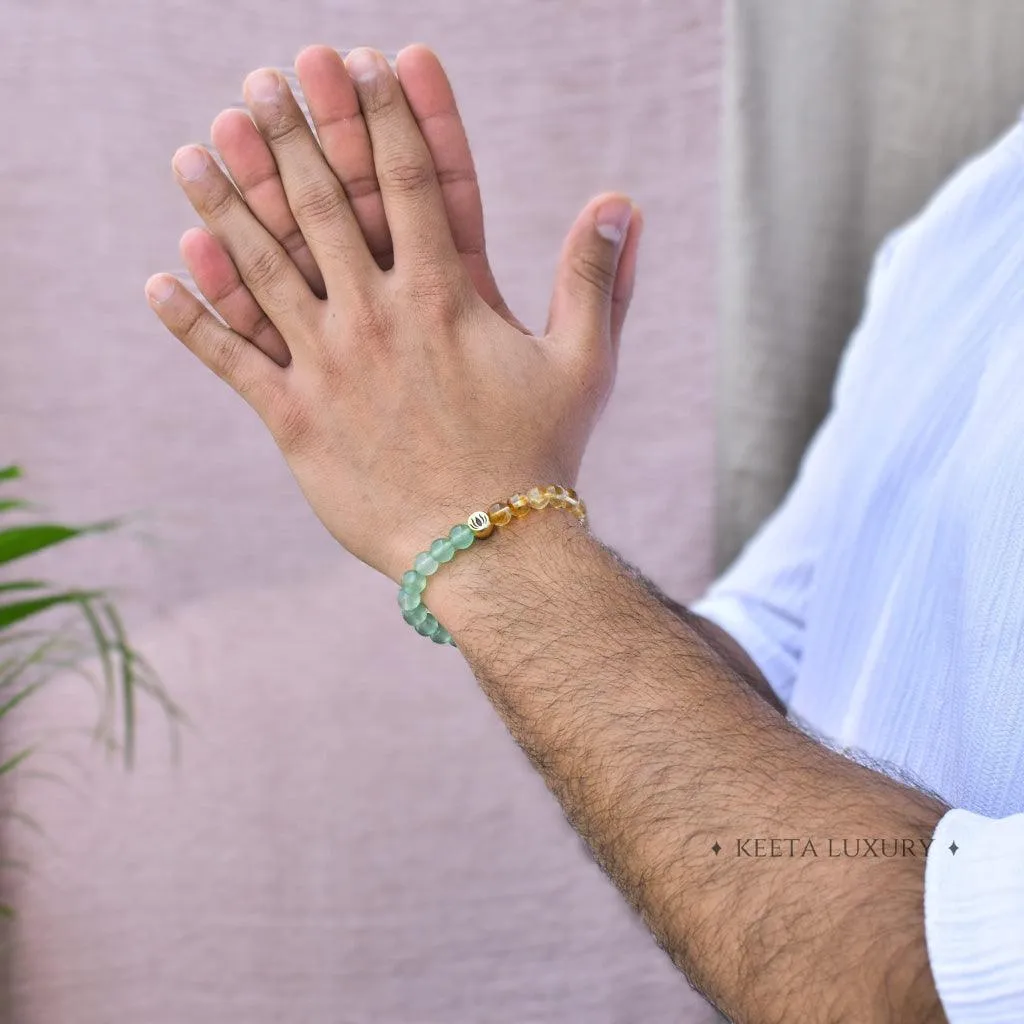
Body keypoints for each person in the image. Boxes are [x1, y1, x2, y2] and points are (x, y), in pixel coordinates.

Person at [143, 44, 1024, 1023]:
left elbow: (921, 983)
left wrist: (485, 526)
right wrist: (478, 463)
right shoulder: (979, 215)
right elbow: (771, 670)